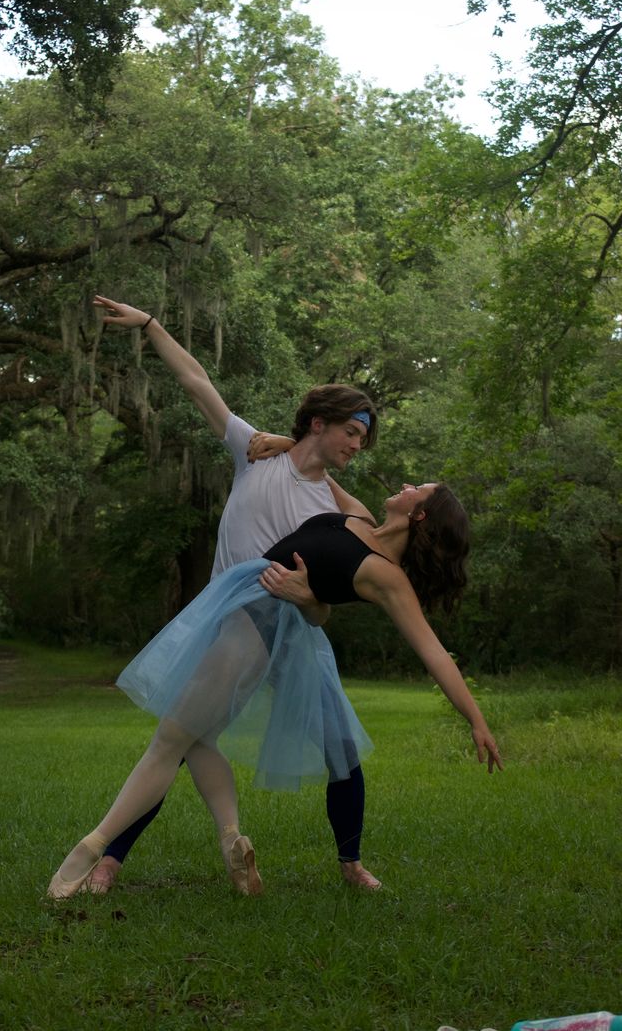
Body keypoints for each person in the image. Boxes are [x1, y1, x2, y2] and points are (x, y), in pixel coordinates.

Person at [47, 480, 503, 901]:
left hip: (256, 632)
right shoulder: (360, 518)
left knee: (170, 741)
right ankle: (230, 837)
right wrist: (284, 443)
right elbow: (315, 468)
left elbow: (434, 652)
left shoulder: (387, 577)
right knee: (199, 740)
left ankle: (92, 847)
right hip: (239, 617)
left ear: (421, 514)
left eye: (417, 488)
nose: (407, 485)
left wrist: (476, 720)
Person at [80, 296, 381, 896]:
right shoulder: (252, 455)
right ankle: (112, 861)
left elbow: (331, 595)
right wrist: (151, 324)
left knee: (340, 748)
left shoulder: (335, 509)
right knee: (184, 737)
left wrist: (338, 508)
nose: (357, 445)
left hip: (294, 634)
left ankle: (350, 864)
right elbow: (197, 381)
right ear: (318, 422)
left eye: (363, 439)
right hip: (232, 627)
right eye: (351, 432)